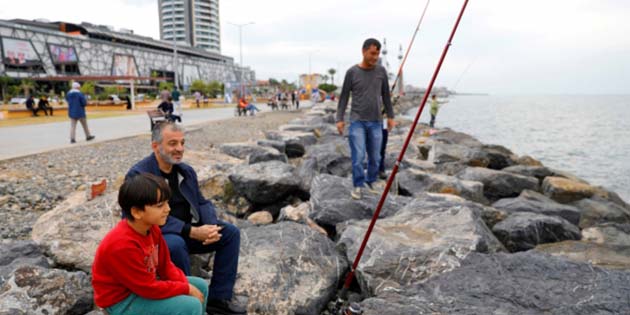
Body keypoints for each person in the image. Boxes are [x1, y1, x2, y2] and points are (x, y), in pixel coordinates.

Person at [125, 122, 246, 315]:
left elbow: (202, 202)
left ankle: (218, 299)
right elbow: (135, 219)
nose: (180, 148)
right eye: (173, 143)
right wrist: (191, 231)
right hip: (159, 235)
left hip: (190, 230)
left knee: (230, 234)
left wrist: (210, 226)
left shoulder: (185, 171)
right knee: (174, 244)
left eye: (182, 143)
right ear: (155, 146)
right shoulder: (139, 176)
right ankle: (187, 302)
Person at [92, 173, 208, 315]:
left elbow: (166, 266)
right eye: (160, 205)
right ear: (136, 212)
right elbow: (148, 288)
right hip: (121, 302)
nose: (168, 209)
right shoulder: (122, 245)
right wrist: (186, 289)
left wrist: (185, 285)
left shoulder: (152, 229)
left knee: (201, 286)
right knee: (190, 305)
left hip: (142, 287)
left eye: (167, 203)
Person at [337, 38, 395, 200]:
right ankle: (357, 185)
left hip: (377, 121)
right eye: (372, 53)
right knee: (359, 156)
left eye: (377, 54)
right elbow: (343, 98)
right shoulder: (352, 72)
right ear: (363, 51)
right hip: (357, 122)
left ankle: (370, 180)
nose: (375, 57)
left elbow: (386, 96)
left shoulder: (381, 71)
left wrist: (390, 116)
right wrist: (339, 118)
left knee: (376, 157)